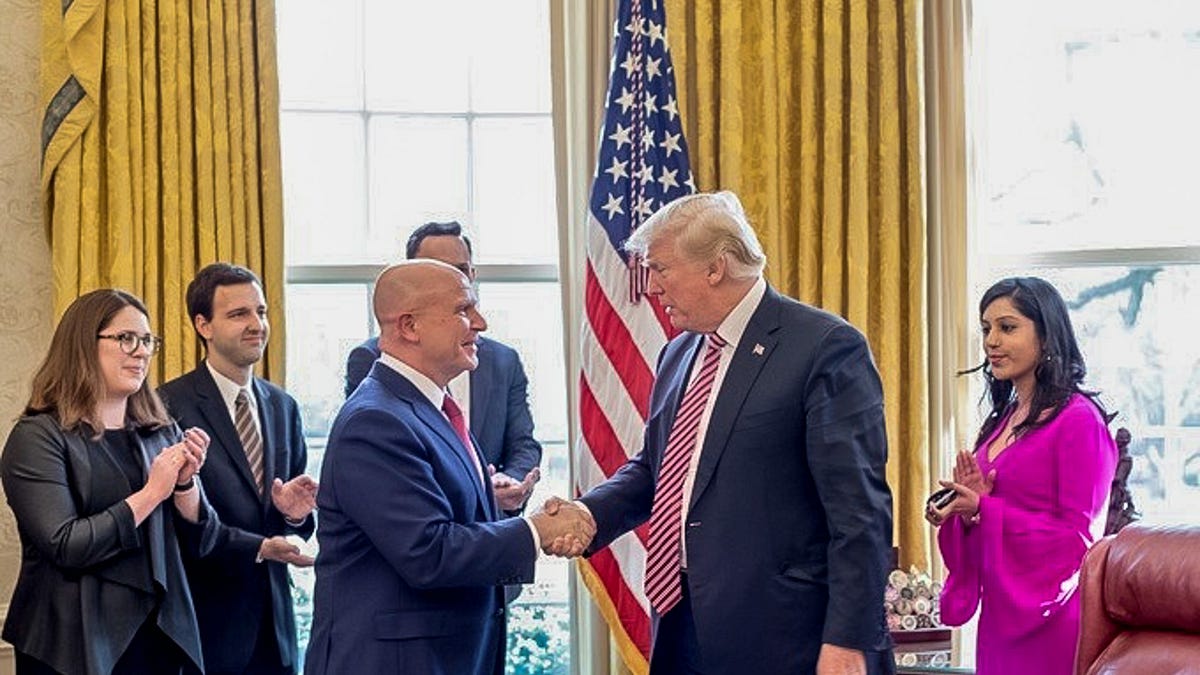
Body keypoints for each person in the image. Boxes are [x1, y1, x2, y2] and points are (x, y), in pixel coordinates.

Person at [552, 191, 896, 674]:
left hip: (785, 637)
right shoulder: (679, 353)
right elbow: (657, 469)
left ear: (715, 267)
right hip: (680, 621)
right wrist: (589, 513)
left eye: (660, 269)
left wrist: (848, 640)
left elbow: (860, 513)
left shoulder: (824, 347)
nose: (651, 287)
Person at [305, 260, 593, 675]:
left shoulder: (430, 407)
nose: (481, 323)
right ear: (409, 326)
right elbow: (429, 552)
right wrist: (536, 531)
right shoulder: (375, 420)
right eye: (463, 310)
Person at [1, 289, 217, 675]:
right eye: (126, 338)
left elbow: (201, 544)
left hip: (159, 636)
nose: (141, 352)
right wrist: (152, 493)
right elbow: (66, 545)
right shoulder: (37, 437)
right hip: (71, 645)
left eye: (147, 340)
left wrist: (185, 486)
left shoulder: (162, 431)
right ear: (83, 344)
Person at [926, 276, 1118, 675]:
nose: (991, 341)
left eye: (1007, 327)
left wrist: (986, 510)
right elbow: (990, 521)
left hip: (1052, 624)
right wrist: (970, 512)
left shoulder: (1080, 422)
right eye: (986, 329)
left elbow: (1077, 542)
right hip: (1000, 621)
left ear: (1046, 336)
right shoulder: (1003, 420)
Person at [158, 263, 318, 675]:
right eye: (238, 314)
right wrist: (259, 548)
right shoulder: (167, 406)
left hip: (277, 630)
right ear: (203, 325)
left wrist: (293, 516)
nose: (256, 325)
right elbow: (176, 529)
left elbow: (294, 524)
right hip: (205, 628)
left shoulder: (283, 406)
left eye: (260, 312)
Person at [345, 221, 541, 514]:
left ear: (472, 274)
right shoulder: (373, 387)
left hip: (492, 528)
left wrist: (507, 481)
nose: (480, 323)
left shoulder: (503, 360)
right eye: (437, 268)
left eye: (460, 270)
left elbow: (522, 442)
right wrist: (534, 529)